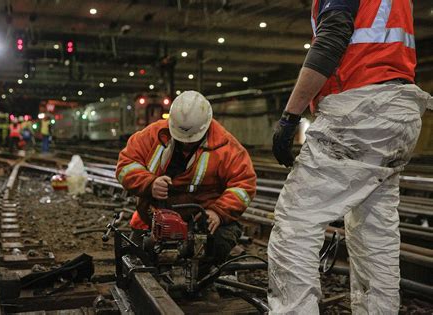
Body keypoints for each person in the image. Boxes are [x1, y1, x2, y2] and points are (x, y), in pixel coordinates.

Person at [268, 1, 433, 314]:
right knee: (375, 233)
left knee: (296, 221)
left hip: (360, 110)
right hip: (401, 112)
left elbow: (331, 40)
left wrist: (291, 116)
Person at [116, 90, 256, 266]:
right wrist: (149, 183)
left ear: (206, 126)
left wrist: (218, 212)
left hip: (200, 218)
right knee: (137, 257)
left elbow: (244, 185)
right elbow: (126, 165)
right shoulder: (153, 134)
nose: (186, 143)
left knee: (219, 240)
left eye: (191, 138)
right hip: (153, 216)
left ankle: (204, 275)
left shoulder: (226, 147)